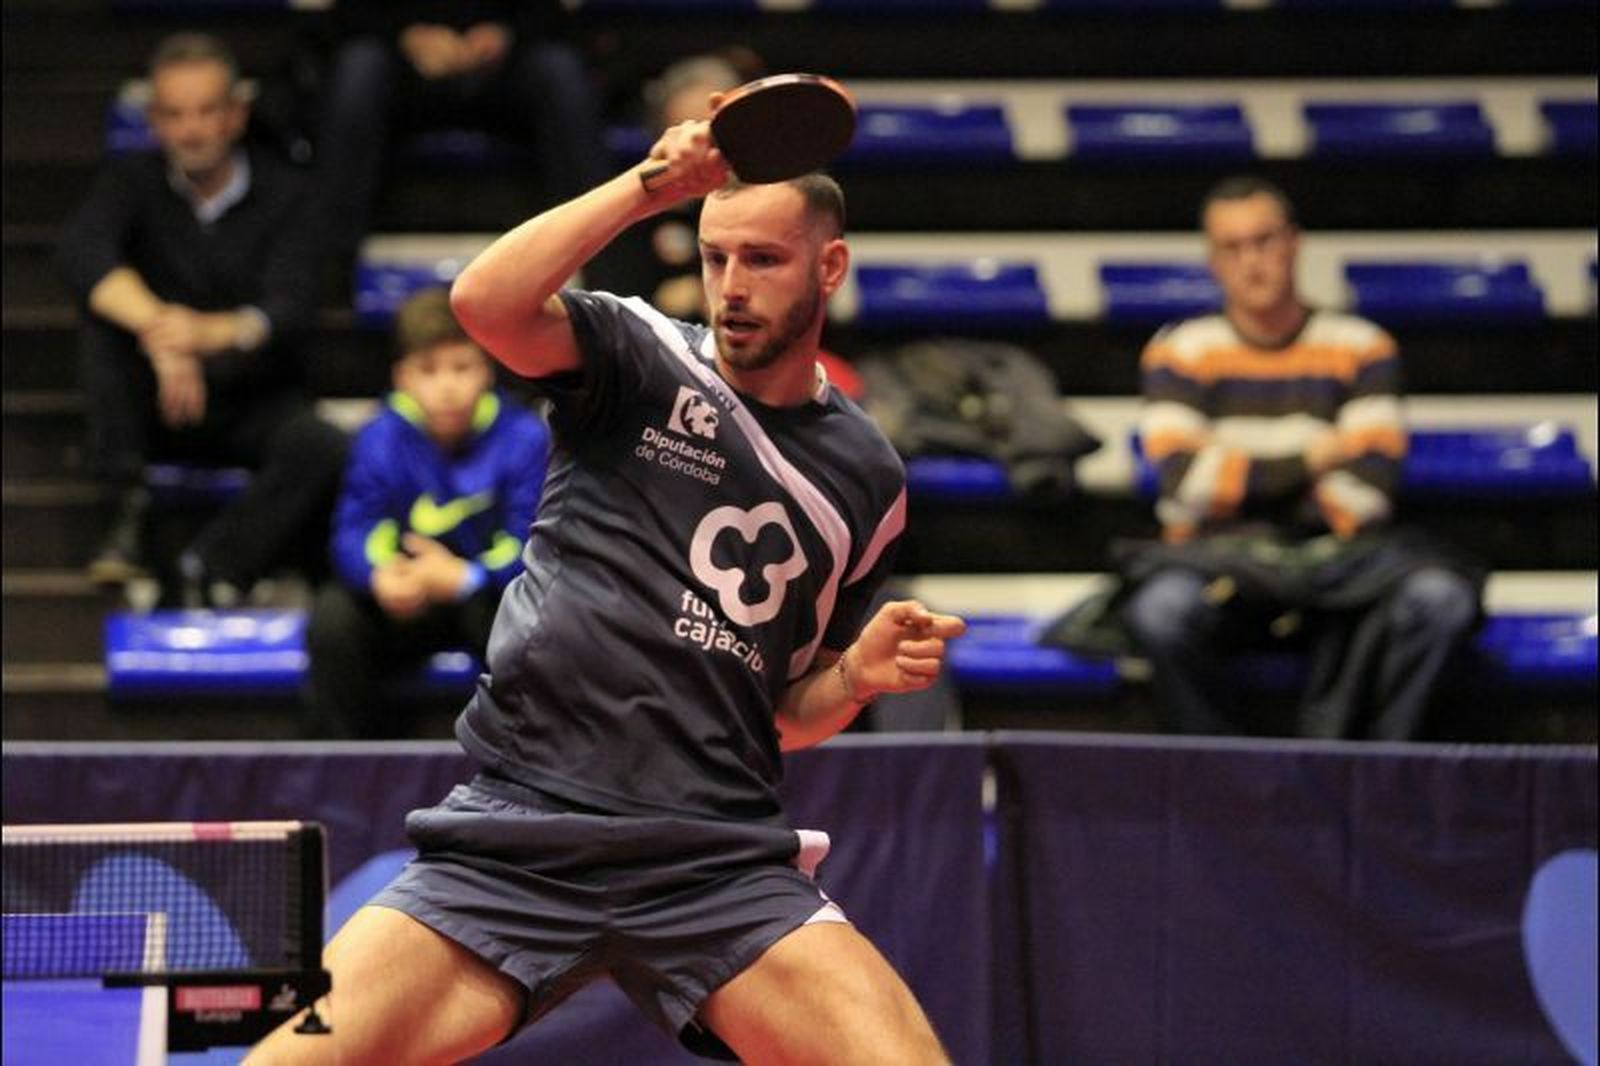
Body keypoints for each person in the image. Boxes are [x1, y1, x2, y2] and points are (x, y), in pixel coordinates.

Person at [248, 99, 965, 1063]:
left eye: (765, 259)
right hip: (519, 835)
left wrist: (857, 681)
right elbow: (484, 304)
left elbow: (779, 715)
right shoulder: (639, 356)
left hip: (713, 858)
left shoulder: (867, 479)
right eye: (717, 258)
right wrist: (651, 187)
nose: (733, 287)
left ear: (828, 267)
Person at [1120, 175, 1481, 741]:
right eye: (1232, 248)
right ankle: (1225, 782)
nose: (1252, 262)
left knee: (1440, 599)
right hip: (1224, 569)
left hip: (1339, 570)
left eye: (1264, 241)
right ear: (1212, 260)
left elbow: (1364, 495)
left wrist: (1238, 476)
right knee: (1161, 610)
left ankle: (1378, 775)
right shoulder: (1181, 350)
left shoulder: (1362, 345)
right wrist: (1315, 456)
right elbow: (1187, 487)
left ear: (1293, 243)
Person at [54, 32, 347, 605]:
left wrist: (204, 335)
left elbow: (289, 309)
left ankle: (211, 564)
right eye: (175, 114)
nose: (191, 129)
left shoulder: (287, 192)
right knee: (102, 329)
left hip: (251, 396)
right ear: (155, 121)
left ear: (236, 114)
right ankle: (125, 515)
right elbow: (81, 252)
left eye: (207, 111)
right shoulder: (131, 180)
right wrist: (161, 330)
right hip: (159, 400)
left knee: (324, 445)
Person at [303, 287, 549, 739]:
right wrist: (380, 576)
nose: (447, 386)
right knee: (333, 619)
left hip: (483, 597)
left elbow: (531, 545)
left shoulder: (525, 437)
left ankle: (524, 766)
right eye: (428, 370)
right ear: (402, 378)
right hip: (405, 596)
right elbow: (353, 531)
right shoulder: (378, 436)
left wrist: (464, 578)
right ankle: (344, 769)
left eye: (462, 367)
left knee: (526, 618)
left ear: (487, 370)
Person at [311, 0, 611, 265]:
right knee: (358, 70)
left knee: (560, 72)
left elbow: (549, 11)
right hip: (403, 71)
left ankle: (597, 253)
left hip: (504, 70)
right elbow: (349, 12)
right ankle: (331, 267)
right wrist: (406, 37)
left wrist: (507, 34)